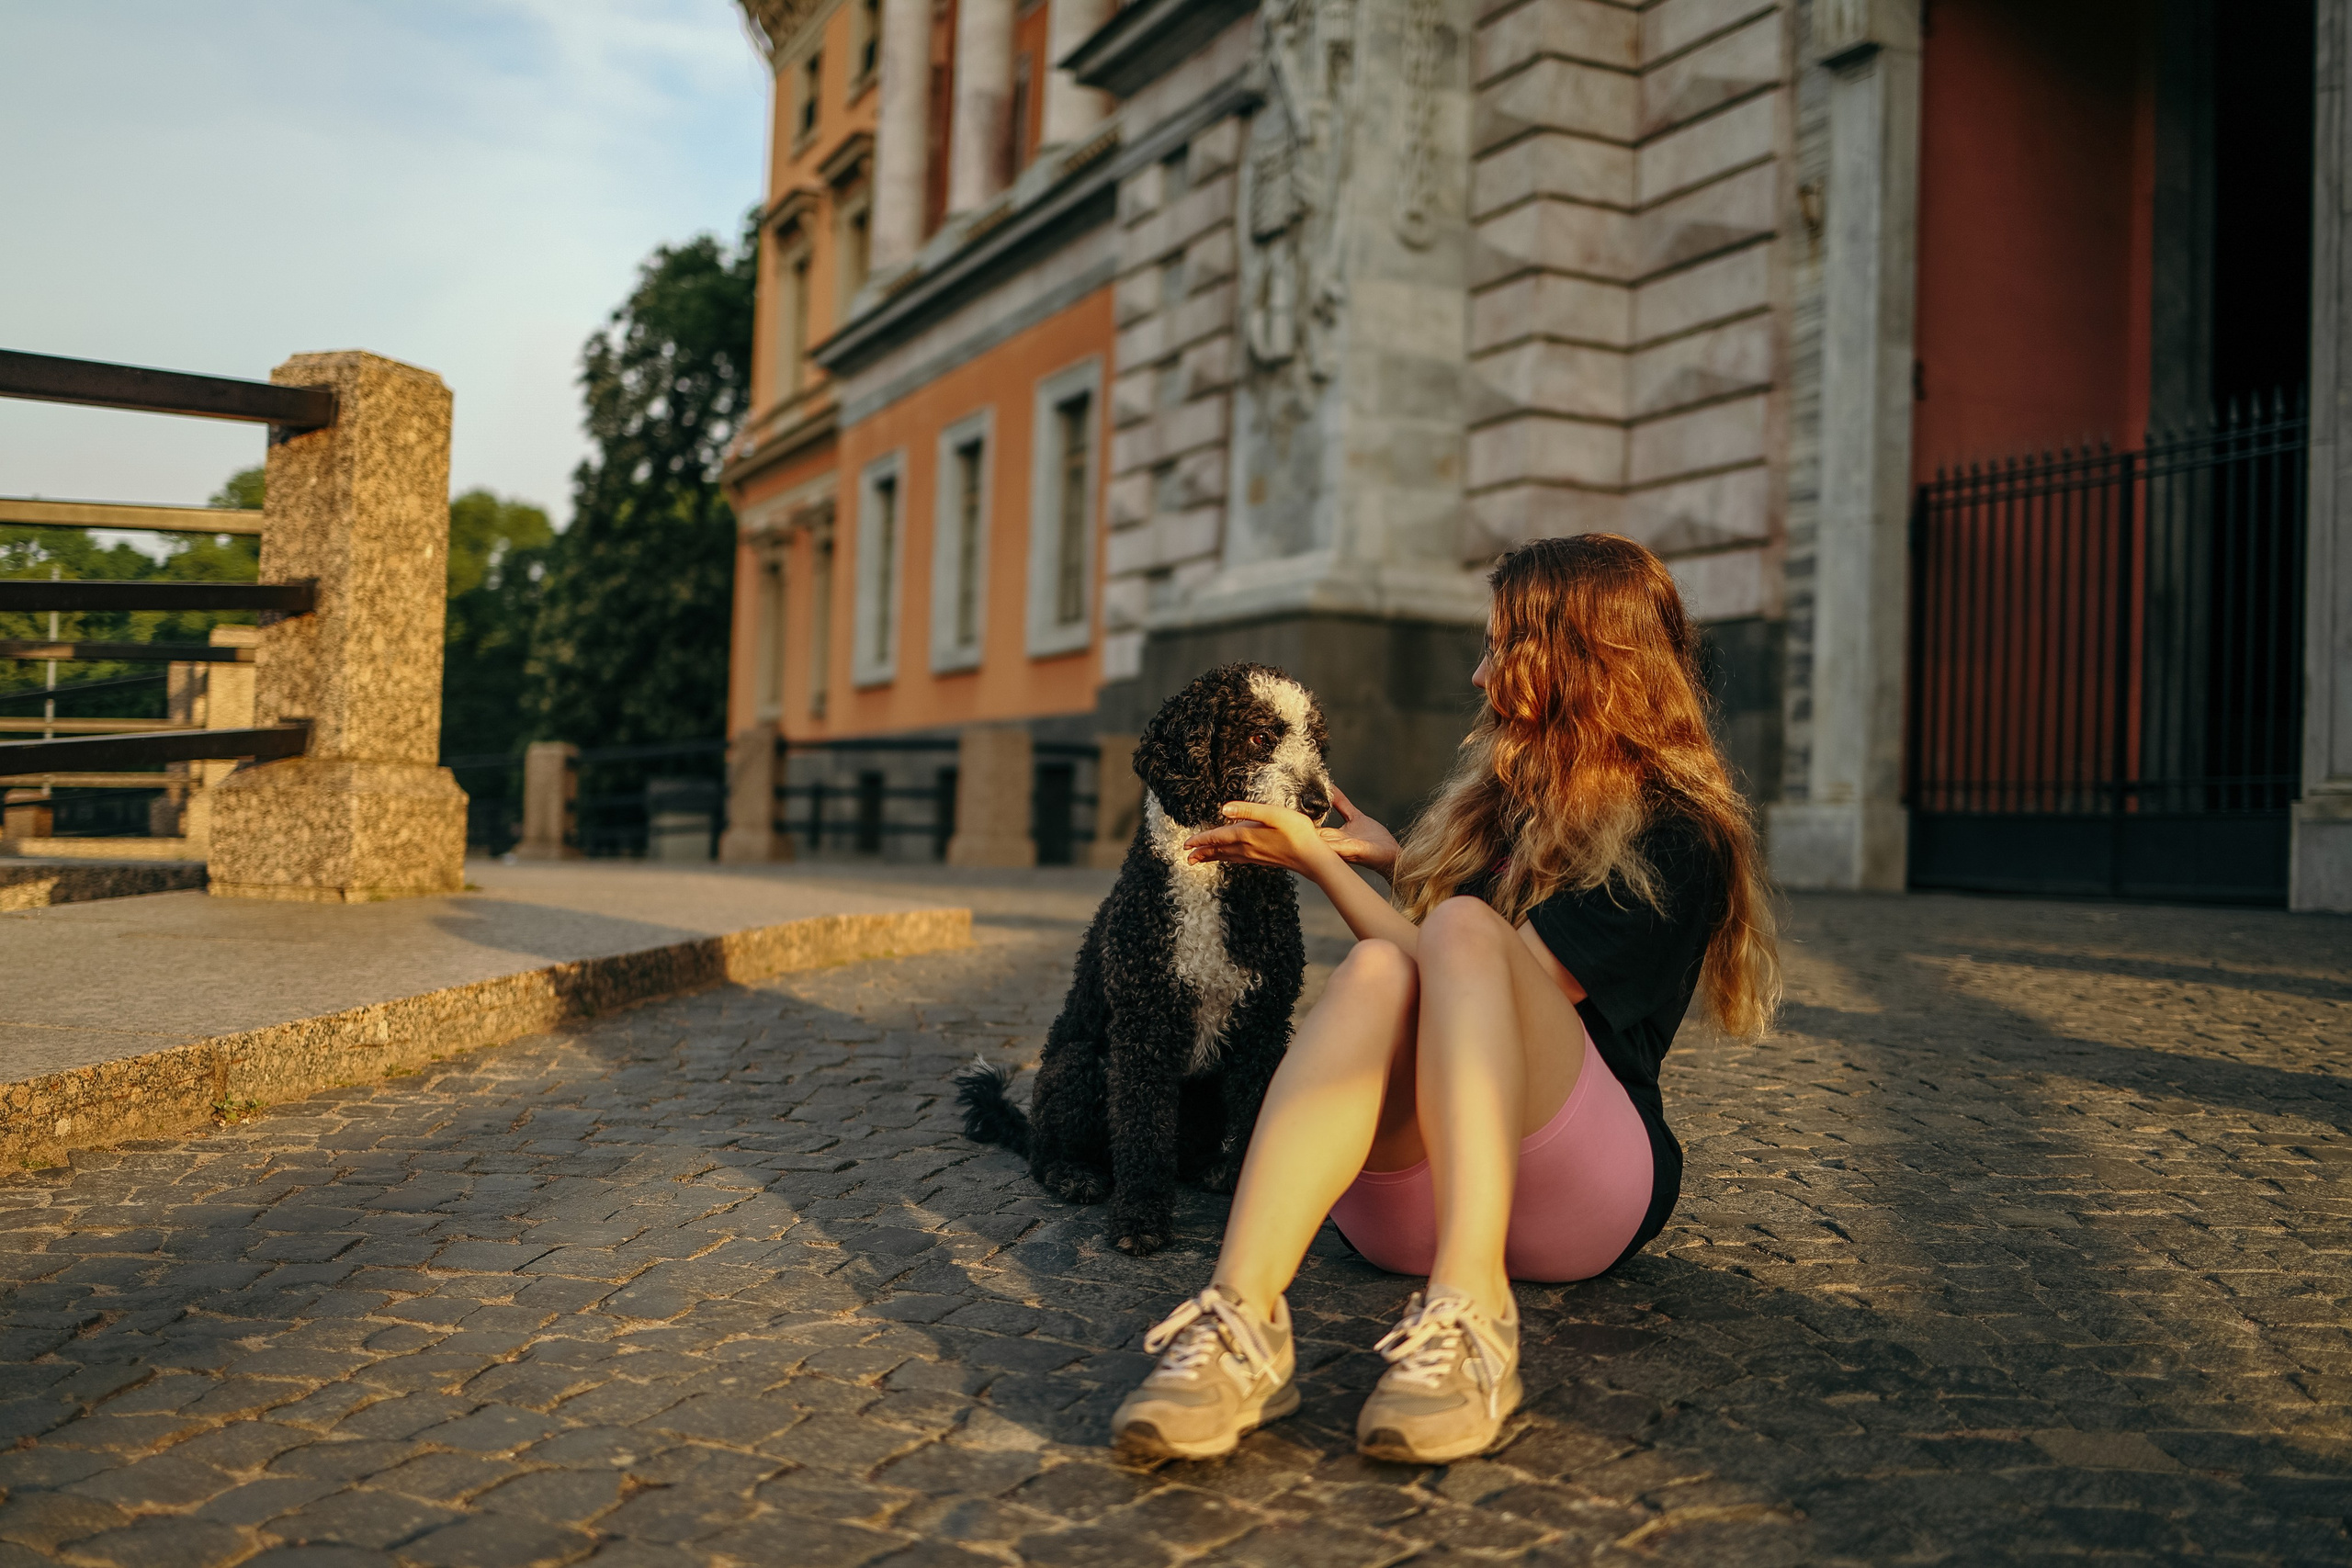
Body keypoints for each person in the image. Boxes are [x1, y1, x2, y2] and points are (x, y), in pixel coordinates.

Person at [1107, 534, 1781, 1465]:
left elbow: (1477, 972)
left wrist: (1318, 868)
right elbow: (1436, 971)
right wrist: (1391, 860)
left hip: (1578, 1196)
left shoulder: (1674, 831)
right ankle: (1242, 1319)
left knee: (1445, 937)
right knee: (1393, 966)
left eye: (1505, 645)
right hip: (1398, 1209)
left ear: (1585, 656)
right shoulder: (1510, 799)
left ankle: (1473, 1318)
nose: (1479, 673)